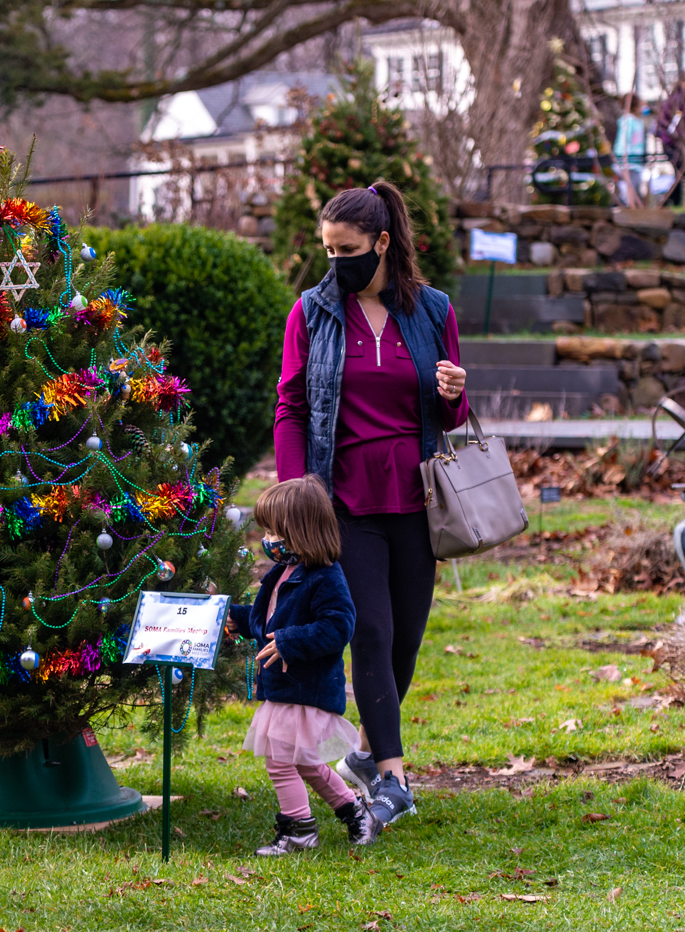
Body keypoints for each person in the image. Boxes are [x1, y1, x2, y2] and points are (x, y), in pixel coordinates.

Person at [273, 182, 468, 828]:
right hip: (343, 500)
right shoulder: (311, 312)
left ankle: (367, 753)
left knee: (406, 638)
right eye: (327, 250)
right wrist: (296, 495)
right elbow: (292, 408)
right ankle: (393, 780)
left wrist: (452, 393)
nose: (335, 263)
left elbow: (452, 413)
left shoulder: (434, 311)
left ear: (382, 243)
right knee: (372, 631)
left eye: (347, 250)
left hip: (415, 498)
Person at [227, 476, 380, 856]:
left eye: (273, 530)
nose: (267, 538)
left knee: (281, 763)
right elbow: (271, 620)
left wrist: (292, 642)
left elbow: (338, 625)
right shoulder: (281, 573)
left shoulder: (326, 577)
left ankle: (299, 829)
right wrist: (236, 619)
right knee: (306, 764)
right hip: (283, 687)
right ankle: (357, 813)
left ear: (301, 532)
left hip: (306, 687)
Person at [615, 92, 647, 206]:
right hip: (629, 162)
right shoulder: (627, 121)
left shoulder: (637, 121)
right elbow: (623, 142)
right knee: (629, 194)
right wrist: (623, 160)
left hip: (636, 163)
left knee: (635, 192)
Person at [656, 79, 685, 207]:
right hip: (674, 143)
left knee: (679, 173)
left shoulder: (673, 98)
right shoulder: (678, 99)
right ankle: (671, 201)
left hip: (671, 142)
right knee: (680, 173)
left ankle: (671, 201)